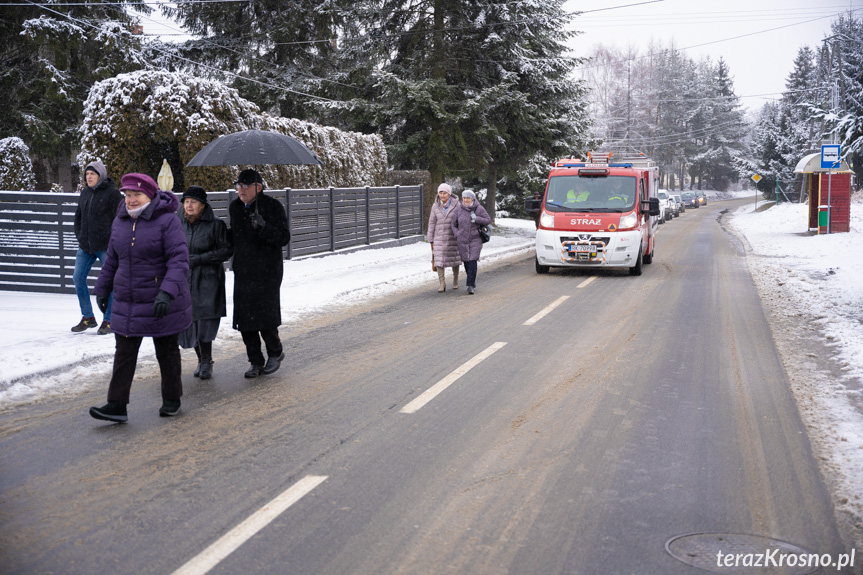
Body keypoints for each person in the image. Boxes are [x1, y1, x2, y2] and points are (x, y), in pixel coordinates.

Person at [88, 173, 192, 423]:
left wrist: (167, 292)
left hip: (160, 298)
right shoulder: (120, 220)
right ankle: (116, 405)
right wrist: (102, 289)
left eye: (137, 195)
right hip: (127, 298)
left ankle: (171, 399)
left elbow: (179, 260)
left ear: (150, 195)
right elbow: (112, 259)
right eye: (128, 195)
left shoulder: (167, 221)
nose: (131, 200)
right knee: (124, 352)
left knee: (166, 350)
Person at [229, 169, 291, 378]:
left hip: (267, 271)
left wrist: (264, 226)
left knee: (265, 315)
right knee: (245, 319)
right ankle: (255, 361)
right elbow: (235, 237)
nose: (241, 190)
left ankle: (275, 352)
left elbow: (283, 237)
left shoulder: (272, 206)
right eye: (239, 186)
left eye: (246, 186)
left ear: (259, 187)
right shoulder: (235, 207)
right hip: (244, 270)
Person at [178, 186, 233, 380]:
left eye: (193, 201)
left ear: (203, 204)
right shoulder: (179, 223)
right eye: (186, 201)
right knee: (190, 321)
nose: (189, 205)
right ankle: (201, 359)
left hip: (208, 279)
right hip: (186, 278)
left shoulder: (215, 225)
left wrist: (199, 259)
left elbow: (225, 250)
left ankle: (206, 361)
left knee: (205, 322)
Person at [71, 160, 122, 335]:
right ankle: (88, 317)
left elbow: (121, 219)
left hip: (106, 246)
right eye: (87, 174)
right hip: (85, 245)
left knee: (111, 282)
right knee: (78, 278)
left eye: (92, 174)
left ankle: (109, 320)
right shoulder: (84, 193)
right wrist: (80, 235)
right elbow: (78, 217)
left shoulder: (113, 195)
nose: (89, 177)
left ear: (101, 175)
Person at [451, 190, 491, 295]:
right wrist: (457, 233)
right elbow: (453, 224)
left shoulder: (479, 208)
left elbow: (487, 220)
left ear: (472, 199)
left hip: (475, 239)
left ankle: (470, 285)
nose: (466, 200)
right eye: (464, 198)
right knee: (466, 261)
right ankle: (472, 281)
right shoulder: (459, 209)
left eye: (468, 198)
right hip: (462, 239)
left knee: (472, 260)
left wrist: (477, 219)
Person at [426, 183, 461, 292]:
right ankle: (442, 284)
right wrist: (430, 237)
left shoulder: (457, 205)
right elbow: (432, 222)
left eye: (444, 193)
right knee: (438, 260)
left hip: (453, 236)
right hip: (439, 237)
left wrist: (461, 234)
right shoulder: (435, 205)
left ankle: (455, 280)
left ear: (449, 194)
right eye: (440, 193)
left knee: (454, 259)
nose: (442, 195)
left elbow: (461, 221)